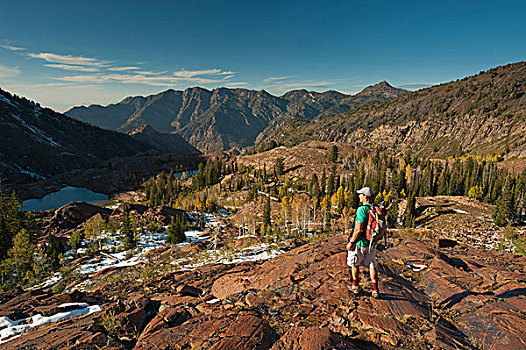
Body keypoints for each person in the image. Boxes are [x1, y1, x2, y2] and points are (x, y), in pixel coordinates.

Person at [346, 186, 379, 298]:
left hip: (360, 243)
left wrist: (351, 242)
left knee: (354, 264)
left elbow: (358, 229)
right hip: (372, 242)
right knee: (371, 264)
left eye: (360, 194)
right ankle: (375, 290)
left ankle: (355, 287)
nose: (359, 196)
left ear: (365, 196)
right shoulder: (375, 208)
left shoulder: (362, 210)